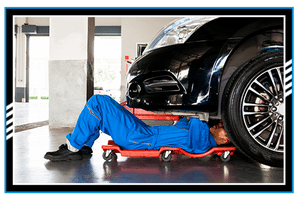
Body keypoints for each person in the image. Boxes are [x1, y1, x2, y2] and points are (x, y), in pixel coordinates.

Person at [44, 95, 230, 162]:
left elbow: (196, 114)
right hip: (144, 131)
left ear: (224, 140)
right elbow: (186, 119)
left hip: (139, 137)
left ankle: (73, 148)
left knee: (98, 102)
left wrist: (197, 114)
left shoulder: (204, 141)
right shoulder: (200, 134)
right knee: (102, 108)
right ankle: (83, 146)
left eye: (224, 129)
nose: (219, 125)